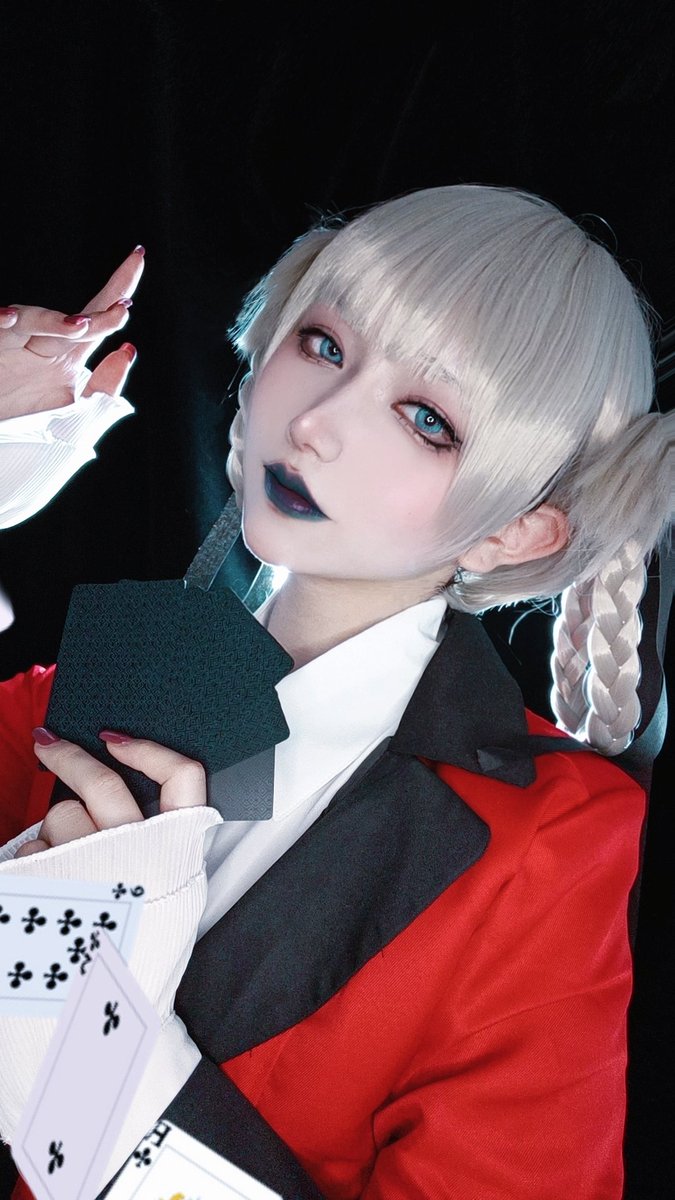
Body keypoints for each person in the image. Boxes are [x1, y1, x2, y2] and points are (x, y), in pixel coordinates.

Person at [0, 185, 672, 1200]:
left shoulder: (550, 845)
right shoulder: (123, 676)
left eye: (426, 419)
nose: (315, 424)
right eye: (324, 344)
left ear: (515, 530)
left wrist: (83, 1058)